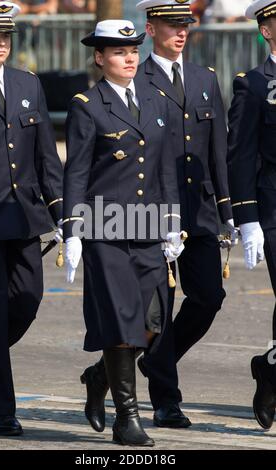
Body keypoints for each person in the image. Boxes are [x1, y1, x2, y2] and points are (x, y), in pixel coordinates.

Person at [63, 19, 183, 446]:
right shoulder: (87, 104)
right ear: (99, 58)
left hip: (149, 227)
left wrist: (172, 222)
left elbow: (166, 166)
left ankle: (100, 377)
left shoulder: (155, 100)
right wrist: (73, 231)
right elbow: (76, 172)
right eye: (117, 51)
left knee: (152, 323)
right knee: (119, 322)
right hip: (105, 229)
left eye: (133, 50)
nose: (129, 57)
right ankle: (126, 419)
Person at [132, 0, 235, 428]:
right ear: (151, 27)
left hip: (201, 209)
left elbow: (218, 150)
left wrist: (229, 210)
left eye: (186, 25)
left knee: (209, 297)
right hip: (156, 210)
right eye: (172, 25)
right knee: (159, 308)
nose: (181, 32)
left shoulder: (204, 77)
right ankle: (166, 400)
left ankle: (136, 367)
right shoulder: (136, 77)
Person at [0, 1, 63, 436]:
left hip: (26, 218)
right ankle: (1, 409)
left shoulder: (27, 83)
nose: (1, 41)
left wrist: (64, 214)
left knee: (26, 302)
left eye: (6, 35)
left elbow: (46, 155)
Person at [227, 0, 276, 431]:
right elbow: (240, 154)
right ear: (266, 31)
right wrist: (247, 218)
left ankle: (270, 368)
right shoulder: (254, 84)